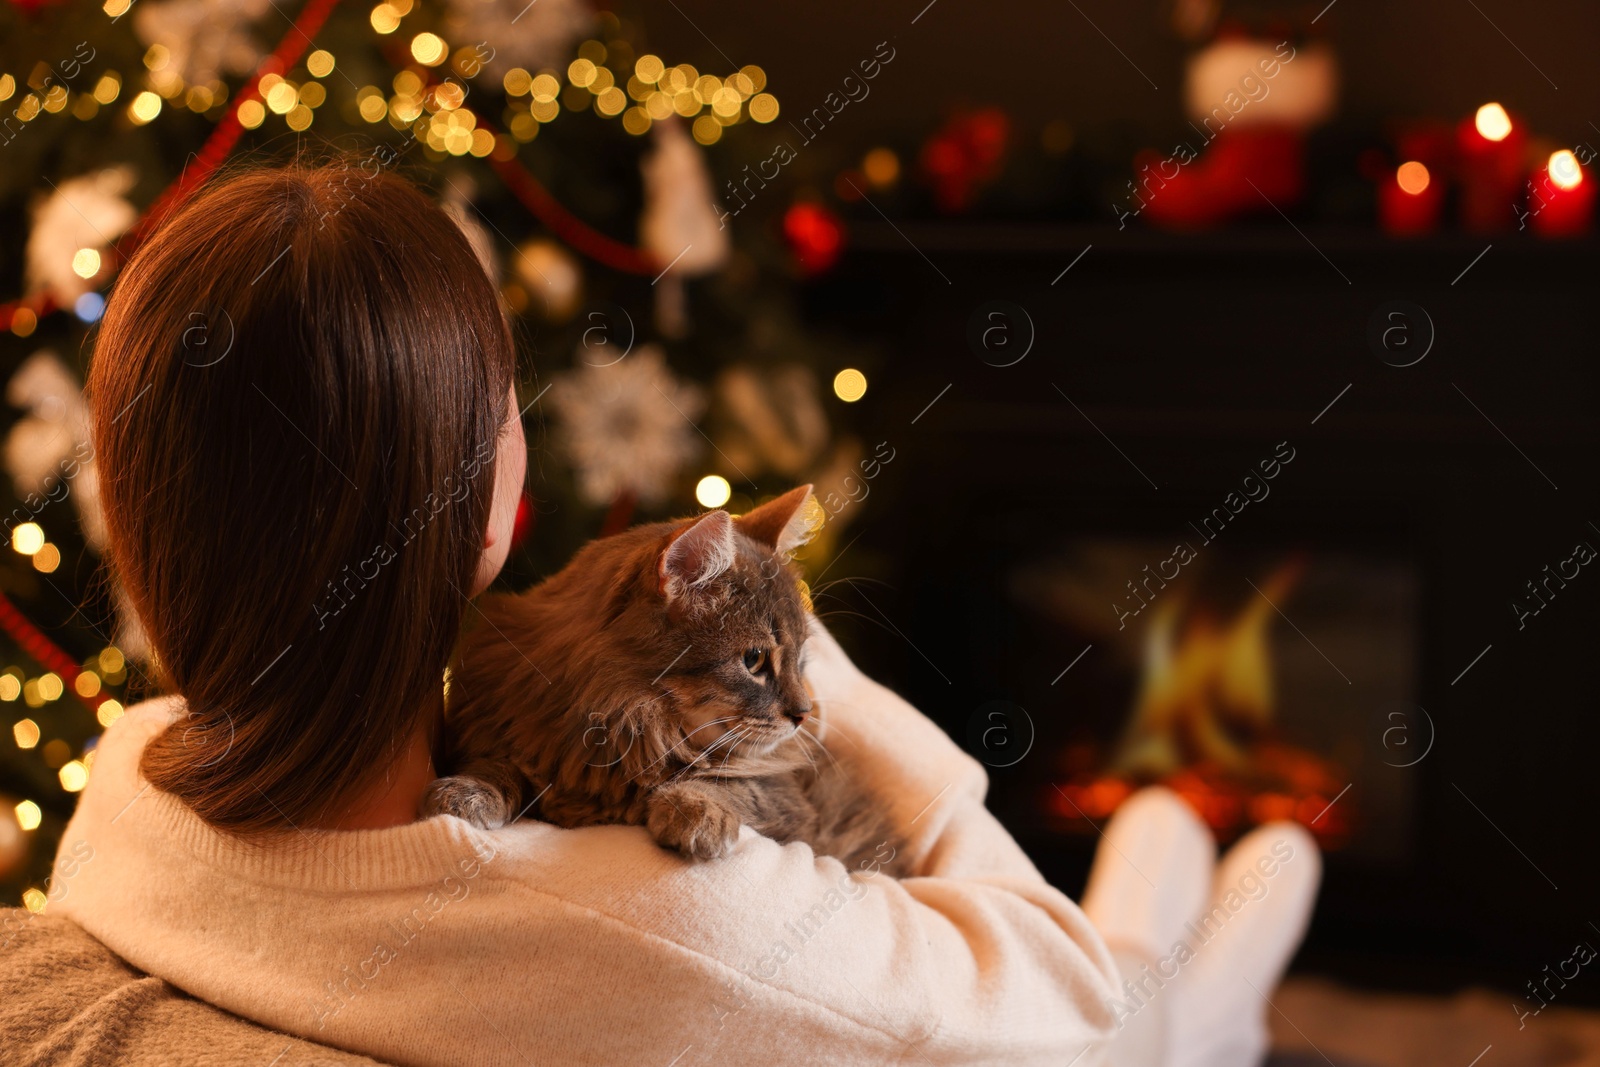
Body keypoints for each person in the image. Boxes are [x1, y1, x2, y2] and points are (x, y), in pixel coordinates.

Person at [49, 163, 1317, 1067]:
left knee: (1161, 876)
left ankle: (1186, 929)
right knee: (1150, 991)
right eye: (505, 411)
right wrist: (824, 666)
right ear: (489, 509)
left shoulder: (126, 795)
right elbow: (1073, 1006)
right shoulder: (674, 912)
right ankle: (1204, 998)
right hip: (1106, 1017)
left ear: (144, 545)